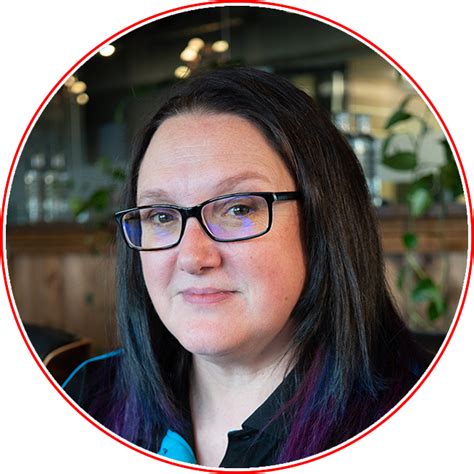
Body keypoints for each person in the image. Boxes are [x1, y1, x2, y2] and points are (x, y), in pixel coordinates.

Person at [62, 67, 428, 468]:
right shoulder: (87, 397)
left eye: (238, 209)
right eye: (161, 216)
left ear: (324, 222)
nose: (192, 257)